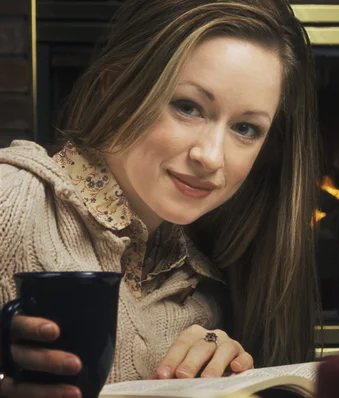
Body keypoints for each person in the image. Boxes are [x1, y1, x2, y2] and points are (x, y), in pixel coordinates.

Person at [0, 0, 321, 396]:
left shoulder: (205, 289)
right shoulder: (10, 200)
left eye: (245, 128)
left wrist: (230, 376)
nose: (211, 156)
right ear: (114, 89)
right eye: (188, 107)